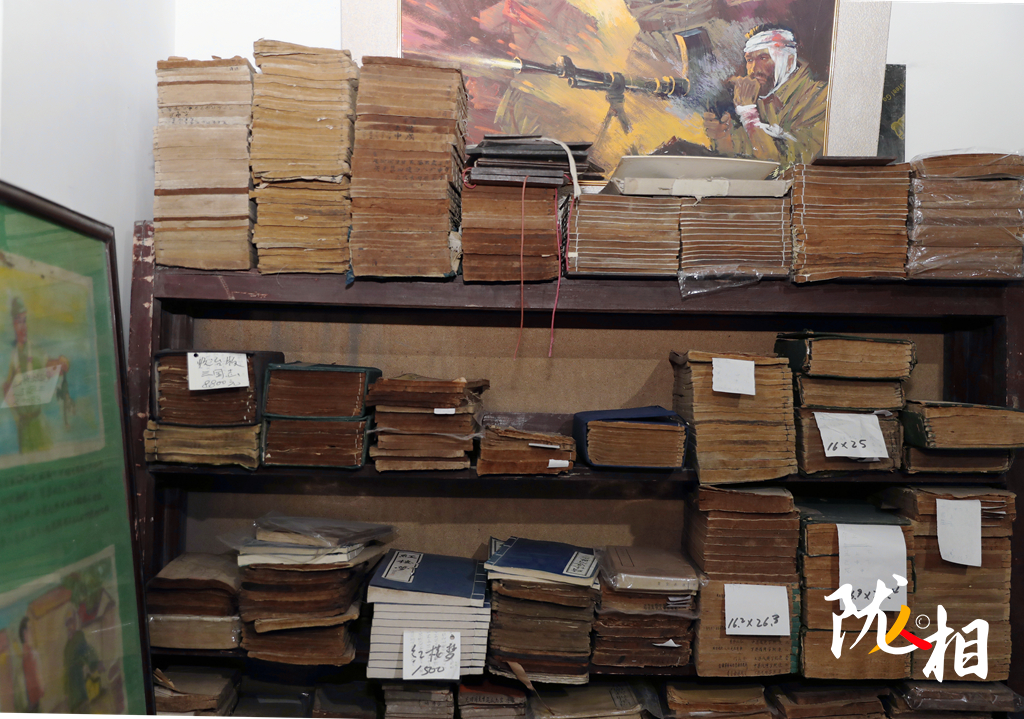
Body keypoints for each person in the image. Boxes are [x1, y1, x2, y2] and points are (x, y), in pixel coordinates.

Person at [703, 23, 827, 169]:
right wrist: (723, 137)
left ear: (789, 61)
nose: (754, 69)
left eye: (763, 58)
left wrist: (748, 113)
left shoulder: (822, 98)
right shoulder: (755, 100)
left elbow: (784, 165)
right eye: (750, 60)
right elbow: (740, 159)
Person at [2, 296, 71, 453]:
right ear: (13, 324)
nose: (23, 327)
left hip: (38, 424)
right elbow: (6, 390)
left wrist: (62, 363)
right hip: (22, 429)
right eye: (19, 321)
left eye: (24, 321)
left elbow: (51, 365)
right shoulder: (11, 356)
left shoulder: (35, 351)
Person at [19, 618, 43, 712]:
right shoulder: (28, 655)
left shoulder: (30, 653)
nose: (32, 633)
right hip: (32, 701)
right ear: (25, 634)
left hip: (34, 700)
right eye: (30, 630)